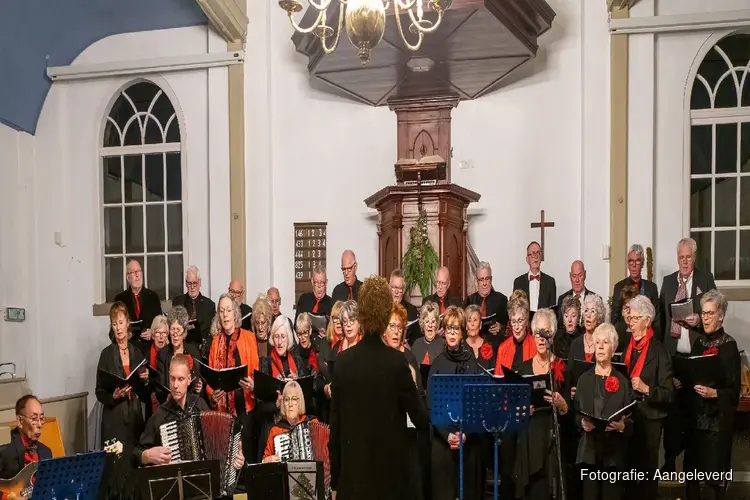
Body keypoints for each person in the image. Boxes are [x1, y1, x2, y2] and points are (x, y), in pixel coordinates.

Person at [329, 276, 429, 500]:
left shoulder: (343, 362)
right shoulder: (396, 362)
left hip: (353, 478)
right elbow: (421, 417)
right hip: (389, 479)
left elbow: (335, 428)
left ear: (362, 315)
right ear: (385, 315)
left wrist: (335, 480)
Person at [659, 237, 716, 472]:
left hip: (695, 356)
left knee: (695, 409)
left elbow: (716, 311)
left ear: (694, 257)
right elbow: (662, 321)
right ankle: (670, 460)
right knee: (672, 413)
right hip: (674, 357)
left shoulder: (705, 279)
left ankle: (693, 464)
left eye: (688, 257)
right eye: (681, 257)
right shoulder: (668, 282)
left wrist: (699, 320)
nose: (684, 261)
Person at [134, 354, 245, 469]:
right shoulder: (159, 415)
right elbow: (137, 452)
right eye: (172, 378)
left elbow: (219, 440)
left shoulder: (199, 404)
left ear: (188, 380)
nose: (175, 385)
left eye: (180, 379)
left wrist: (236, 456)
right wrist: (146, 456)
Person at [681, 290, 740, 500]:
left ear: (721, 315)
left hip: (716, 425)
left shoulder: (729, 346)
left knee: (714, 481)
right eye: (703, 314)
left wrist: (715, 393)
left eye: (710, 313)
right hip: (696, 421)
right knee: (692, 476)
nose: (705, 318)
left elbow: (734, 391)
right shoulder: (698, 343)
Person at [428, 306, 485, 500]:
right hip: (443, 439)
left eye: (456, 329)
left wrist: (464, 435)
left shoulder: (471, 363)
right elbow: (431, 406)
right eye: (449, 329)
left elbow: (477, 406)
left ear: (462, 332)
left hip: (467, 438)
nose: (452, 333)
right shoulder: (437, 364)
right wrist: (448, 435)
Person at [513, 308, 569, 500]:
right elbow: (514, 407)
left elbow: (570, 409)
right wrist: (521, 409)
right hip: (530, 440)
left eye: (545, 333)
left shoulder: (561, 366)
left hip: (552, 439)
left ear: (552, 336)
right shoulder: (523, 368)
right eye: (537, 333)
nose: (541, 338)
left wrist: (562, 404)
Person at [96, 302, 149, 500]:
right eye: (114, 324)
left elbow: (144, 392)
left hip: (134, 418)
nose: (118, 328)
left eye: (120, 322)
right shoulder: (106, 354)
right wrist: (114, 396)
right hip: (114, 419)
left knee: (133, 464)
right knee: (115, 468)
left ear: (128, 323)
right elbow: (99, 392)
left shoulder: (136, 352)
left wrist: (144, 380)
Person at [575, 323, 634, 500]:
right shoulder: (584, 380)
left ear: (613, 347)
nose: (600, 346)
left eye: (605, 342)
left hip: (613, 455)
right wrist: (581, 423)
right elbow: (575, 414)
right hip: (589, 453)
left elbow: (632, 418)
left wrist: (622, 426)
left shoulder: (622, 381)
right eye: (597, 342)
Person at [623, 296, 673, 500]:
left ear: (647, 320)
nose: (631, 323)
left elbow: (669, 393)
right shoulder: (629, 348)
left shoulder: (659, 350)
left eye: (635, 319)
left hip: (651, 418)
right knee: (630, 470)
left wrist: (646, 388)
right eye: (630, 319)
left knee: (647, 473)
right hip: (630, 416)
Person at [206, 294, 259, 416]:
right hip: (222, 411)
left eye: (229, 310)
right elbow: (210, 380)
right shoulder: (215, 342)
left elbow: (255, 373)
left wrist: (253, 386)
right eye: (222, 311)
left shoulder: (249, 338)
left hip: (245, 408)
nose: (225, 315)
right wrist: (212, 396)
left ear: (235, 314)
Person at [0, 395, 52, 498]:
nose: (39, 424)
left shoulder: (46, 452)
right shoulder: (4, 449)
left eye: (41, 418)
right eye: (34, 419)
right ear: (20, 421)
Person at [113, 259, 162, 356]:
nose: (137, 275)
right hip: (129, 349)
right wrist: (126, 334)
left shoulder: (153, 296)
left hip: (150, 348)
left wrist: (152, 332)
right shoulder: (120, 299)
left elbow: (160, 324)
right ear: (128, 278)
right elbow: (113, 330)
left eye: (139, 271)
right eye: (133, 272)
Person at [262, 381, 317, 462]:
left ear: (300, 402)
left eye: (294, 399)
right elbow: (264, 461)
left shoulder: (312, 423)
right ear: (283, 403)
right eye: (287, 400)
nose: (290, 404)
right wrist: (268, 460)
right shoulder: (276, 430)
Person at [156, 306, 203, 399]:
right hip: (169, 404)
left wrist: (198, 389)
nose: (175, 334)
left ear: (184, 332)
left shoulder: (194, 352)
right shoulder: (162, 354)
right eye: (172, 329)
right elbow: (159, 389)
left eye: (178, 329)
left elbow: (198, 381)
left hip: (190, 403)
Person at [611, 244, 659, 326]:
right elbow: (615, 320)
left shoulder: (651, 288)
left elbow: (657, 320)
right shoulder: (619, 287)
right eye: (631, 261)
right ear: (628, 264)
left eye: (637, 261)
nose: (634, 265)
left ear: (642, 264)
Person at [172, 265, 216, 355]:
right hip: (182, 346)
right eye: (189, 283)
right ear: (185, 283)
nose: (192, 287)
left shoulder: (209, 305)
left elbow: (211, 331)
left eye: (195, 283)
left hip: (202, 349)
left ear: (200, 283)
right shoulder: (178, 302)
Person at [494, 290, 536, 375]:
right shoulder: (503, 348)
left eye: (520, 321)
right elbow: (497, 380)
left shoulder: (536, 344)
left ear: (527, 321)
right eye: (513, 321)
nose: (516, 327)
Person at [464, 261, 508, 337]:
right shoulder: (469, 301)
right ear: (476, 281)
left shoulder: (502, 300)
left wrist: (500, 327)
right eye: (481, 279)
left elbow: (509, 325)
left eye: (487, 279)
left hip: (495, 343)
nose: (484, 283)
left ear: (491, 280)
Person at [513, 241, 557, 312]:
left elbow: (552, 311)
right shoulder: (518, 282)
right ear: (527, 259)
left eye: (538, 253)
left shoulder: (550, 282)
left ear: (541, 257)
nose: (536, 256)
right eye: (533, 253)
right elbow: (515, 309)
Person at [556, 261, 596, 327]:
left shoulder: (595, 299)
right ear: (570, 277)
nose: (577, 280)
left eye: (580, 275)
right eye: (574, 276)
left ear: (585, 275)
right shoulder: (562, 299)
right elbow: (560, 327)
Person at [295, 266, 332, 332]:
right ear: (312, 282)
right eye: (316, 282)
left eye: (322, 282)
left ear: (326, 283)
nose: (319, 286)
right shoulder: (304, 299)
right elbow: (296, 325)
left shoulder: (331, 303)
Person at [389, 269, 420, 345]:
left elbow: (416, 339)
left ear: (403, 290)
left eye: (399, 288)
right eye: (393, 287)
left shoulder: (411, 310)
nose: (396, 292)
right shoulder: (382, 308)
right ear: (389, 287)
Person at [464, 304, 495, 370]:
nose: (472, 324)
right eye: (469, 321)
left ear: (480, 324)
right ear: (466, 325)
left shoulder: (490, 346)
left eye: (475, 320)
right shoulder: (460, 348)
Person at [613, 285, 638, 355]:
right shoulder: (616, 331)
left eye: (631, 308)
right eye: (625, 308)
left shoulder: (642, 332)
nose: (628, 312)